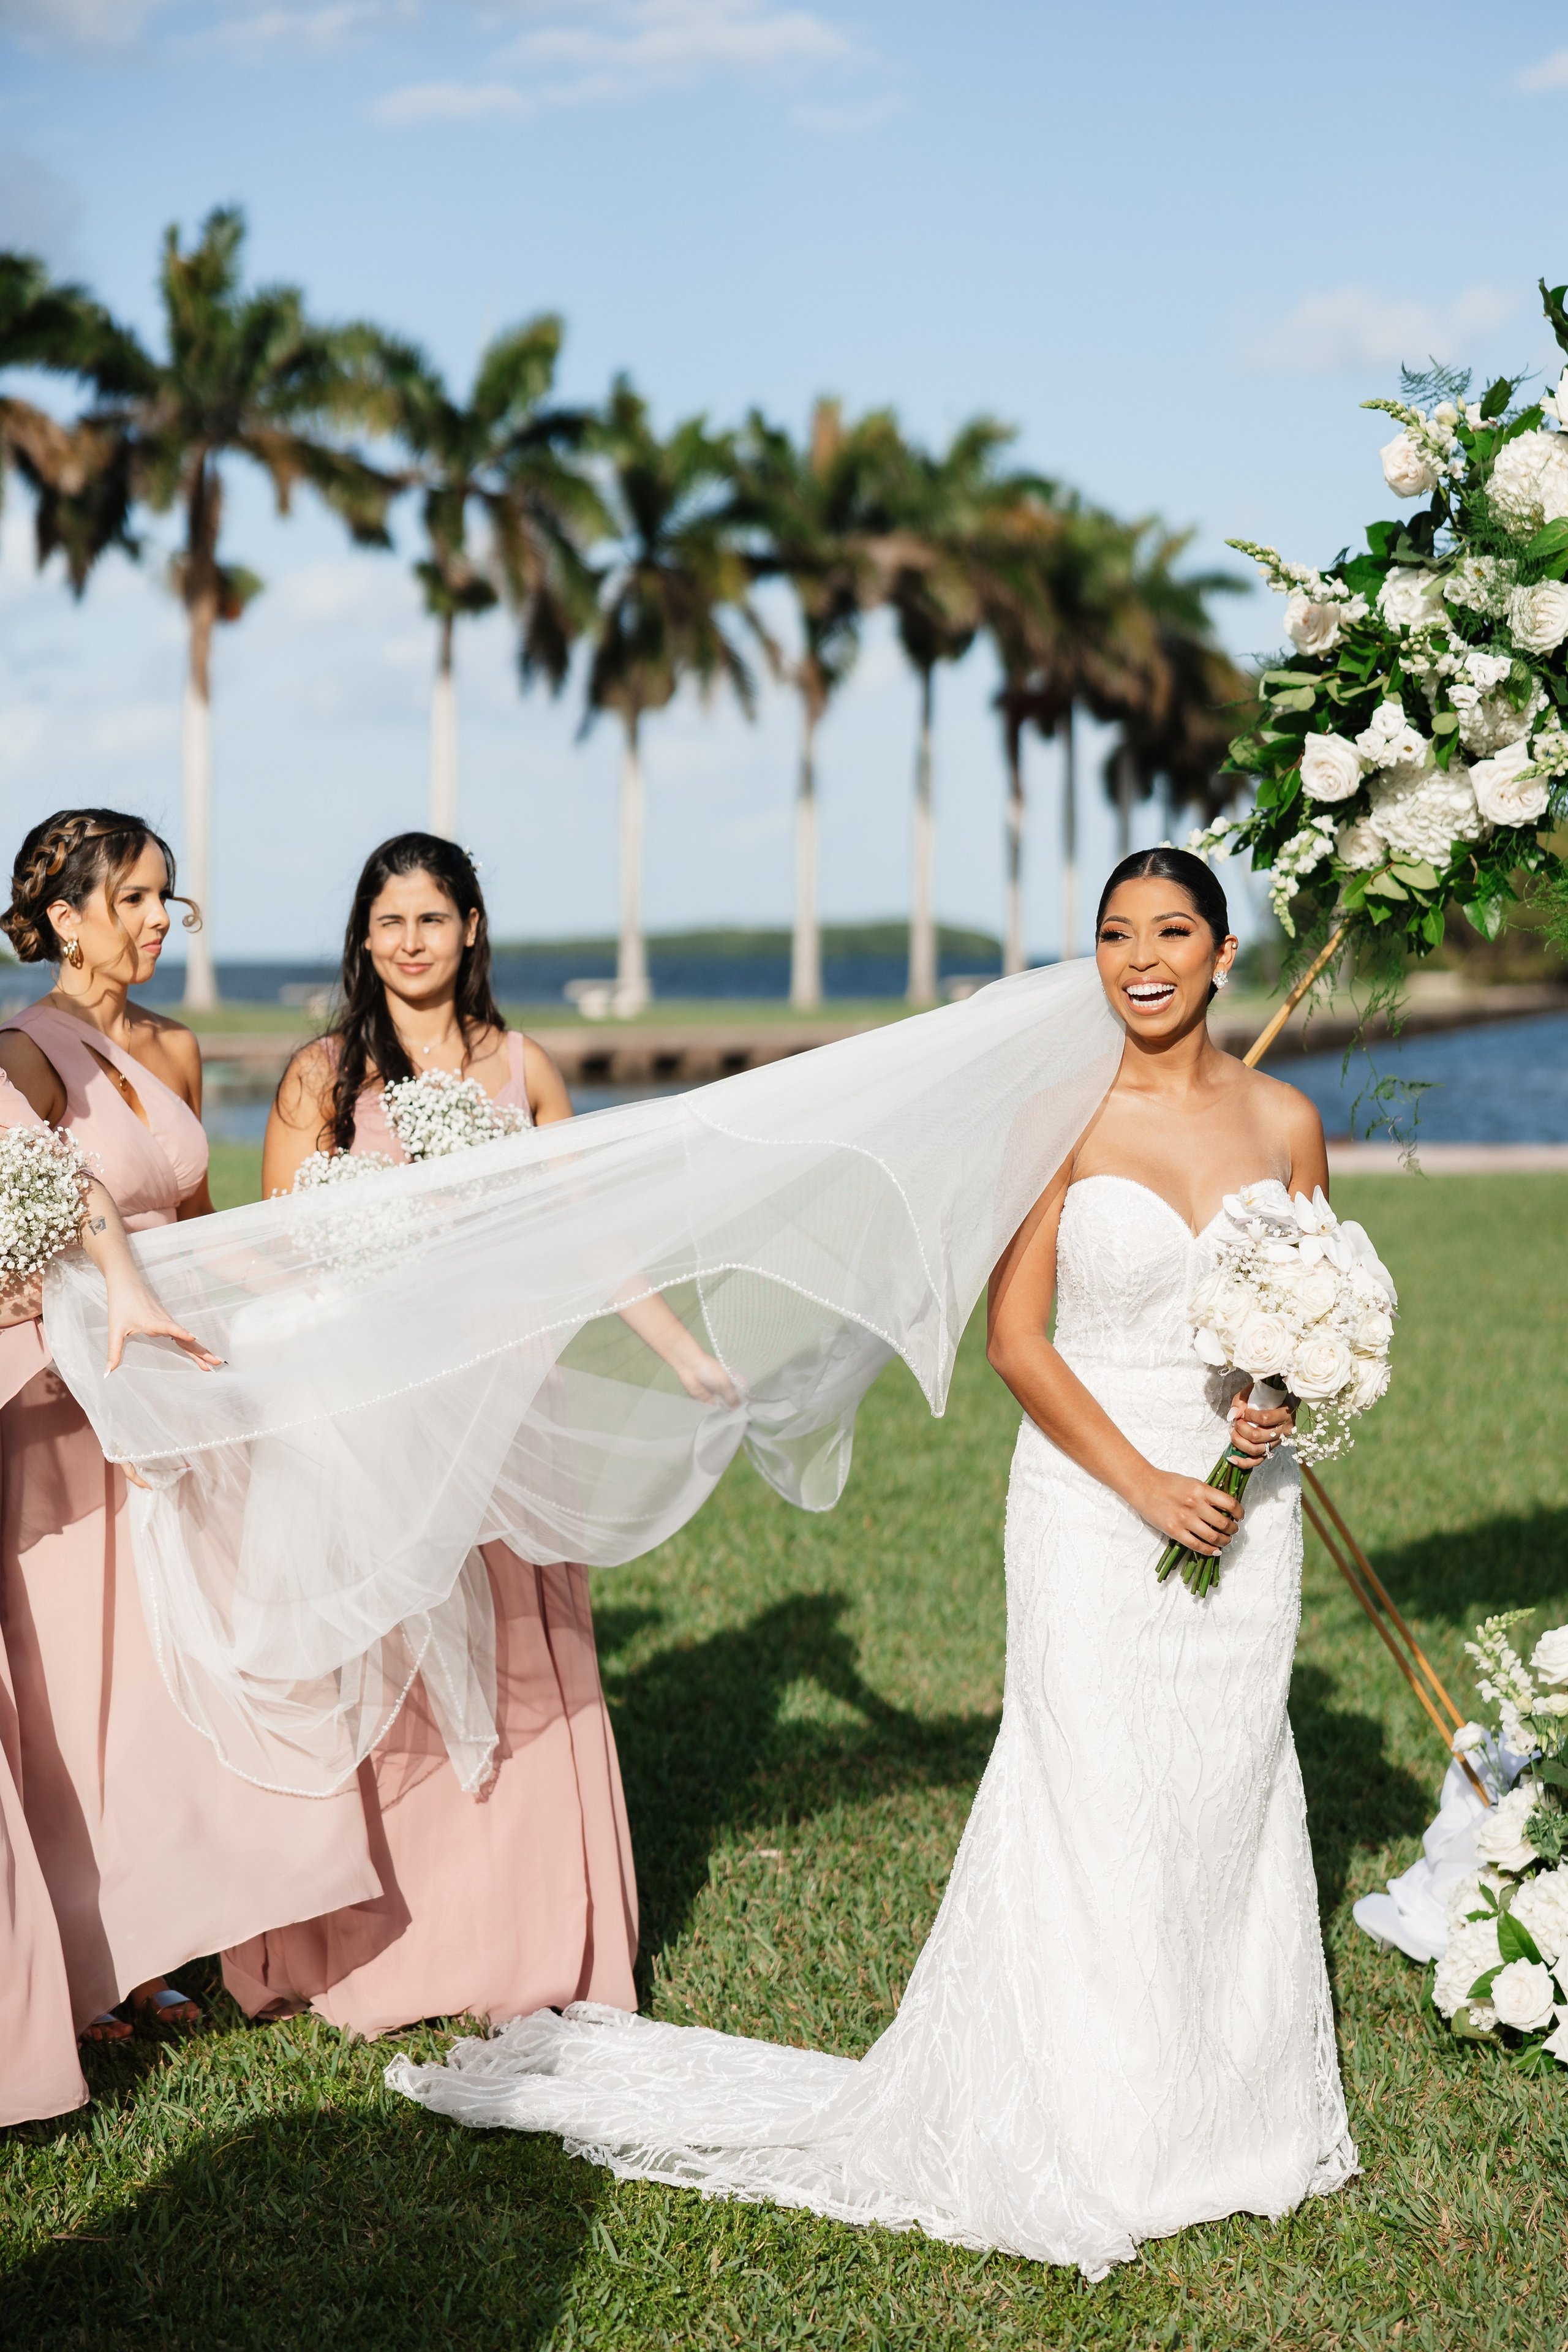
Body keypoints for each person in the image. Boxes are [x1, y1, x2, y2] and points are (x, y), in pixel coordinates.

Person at [385, 846, 1357, 2280]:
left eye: (1169, 932)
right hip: (1098, 1500)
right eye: (1111, 934)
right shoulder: (1059, 1115)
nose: (1139, 958)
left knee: (1220, 1787)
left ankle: (1228, 2114)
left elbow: (1316, 1303)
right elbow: (1018, 1344)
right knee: (1090, 1789)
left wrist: (1280, 1407)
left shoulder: (1286, 1119)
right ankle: (1090, 2125)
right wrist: (1148, 1483)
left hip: (1242, 1511)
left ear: (1223, 952)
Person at [224, 832, 727, 2038]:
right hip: (377, 1415)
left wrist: (678, 1350)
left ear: (471, 931)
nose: (409, 944)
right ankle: (387, 1937)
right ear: (361, 939)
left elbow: (587, 1233)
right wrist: (365, 1255)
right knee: (394, 1661)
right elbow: (266, 1243)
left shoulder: (522, 1070)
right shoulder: (321, 1078)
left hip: (507, 1401)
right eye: (387, 923)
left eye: (431, 921)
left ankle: (527, 1929)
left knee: (514, 1652)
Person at [0, 809, 382, 2046]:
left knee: (170, 1673)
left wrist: (340, 1275)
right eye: (135, 900)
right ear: (63, 918)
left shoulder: (172, 1046)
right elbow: (46, 1208)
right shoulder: (19, 1054)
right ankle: (82, 1949)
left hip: (179, 1385)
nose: (160, 920)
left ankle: (165, 1932)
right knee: (76, 1680)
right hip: (63, 1403)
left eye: (170, 898)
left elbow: (206, 1216)